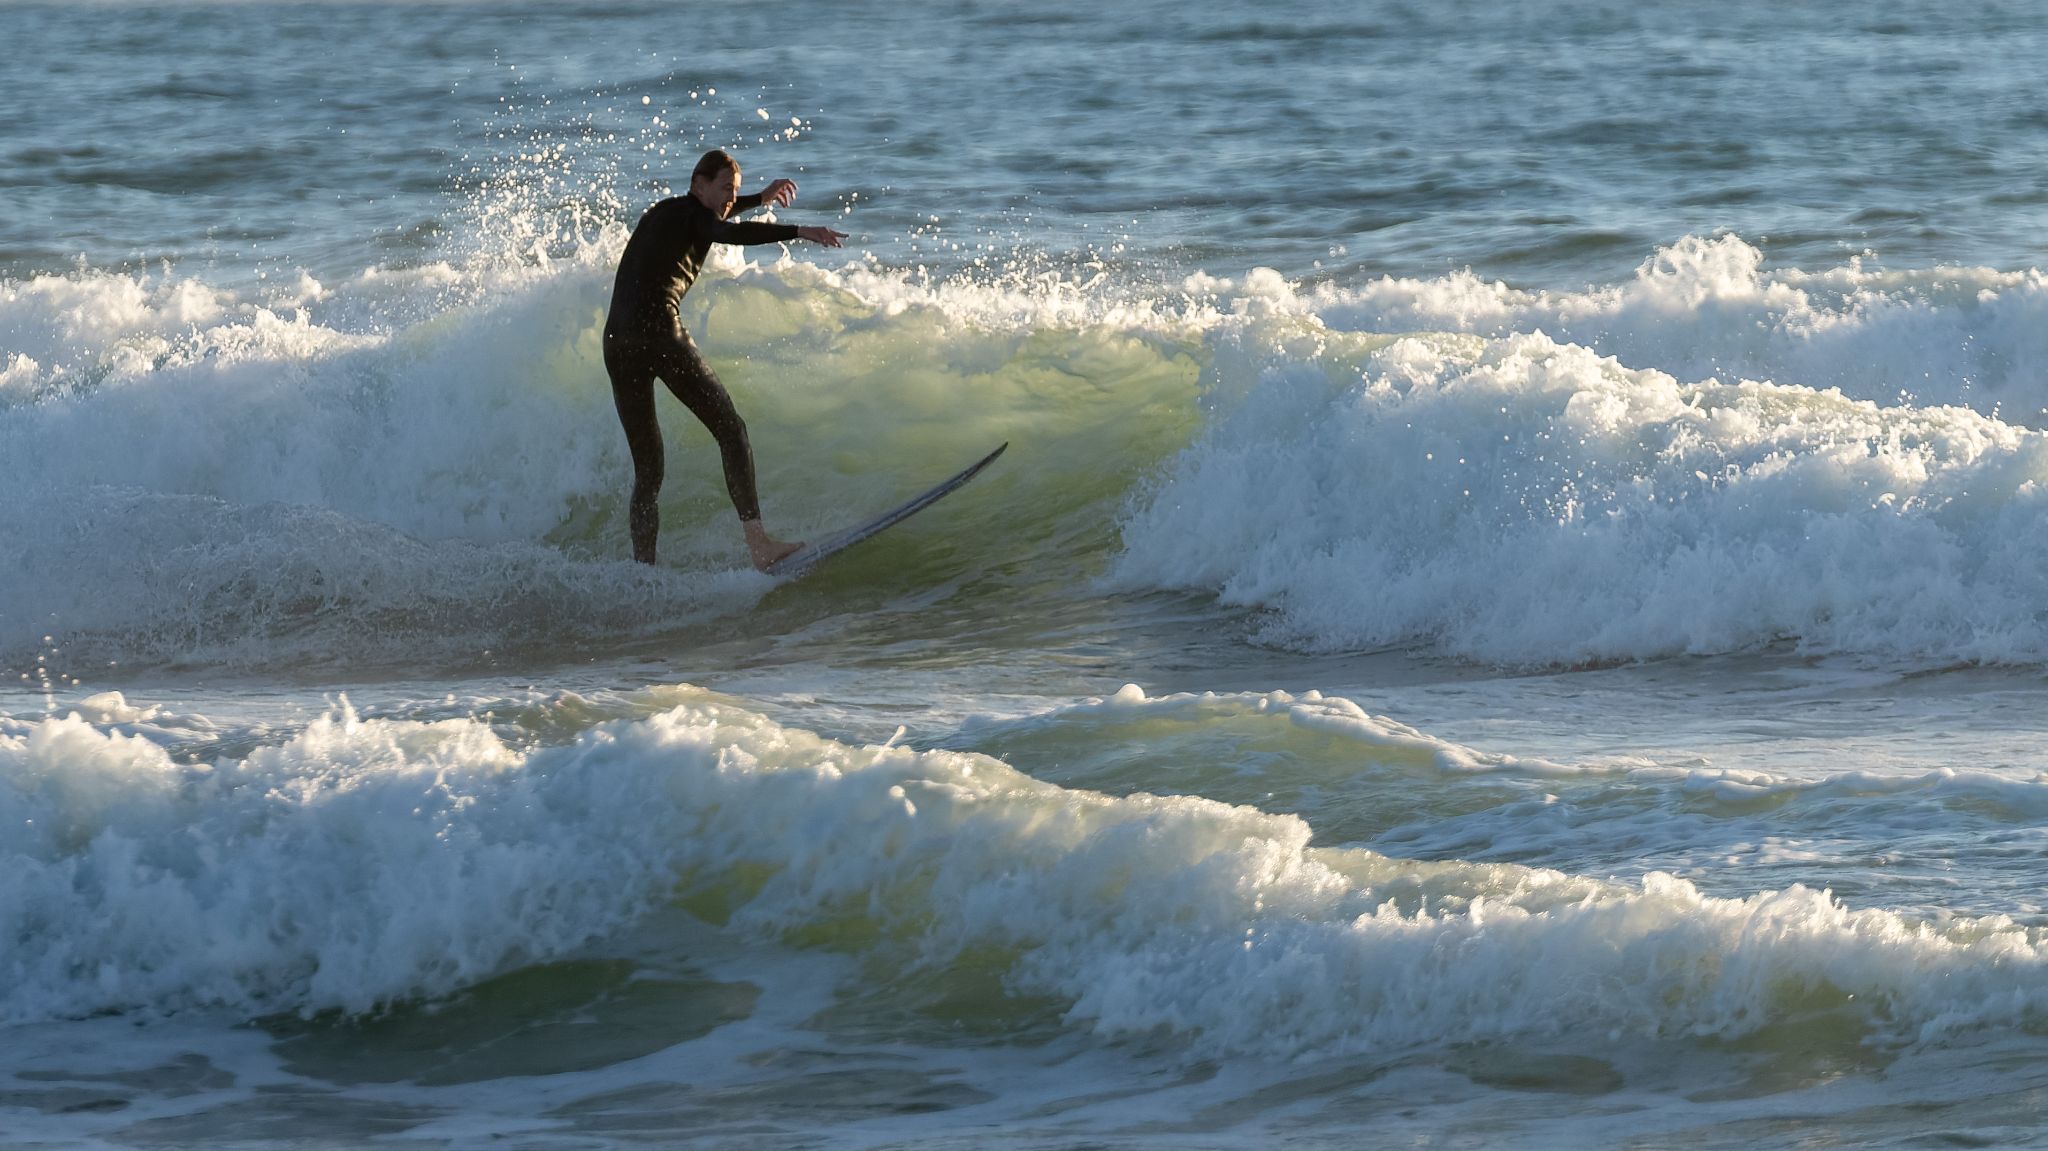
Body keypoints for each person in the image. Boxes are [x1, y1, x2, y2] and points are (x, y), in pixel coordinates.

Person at [603, 148, 846, 570]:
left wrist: (758, 198)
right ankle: (759, 545)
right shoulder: (699, 217)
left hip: (617, 343)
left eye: (734, 191)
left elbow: (718, 216)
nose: (730, 198)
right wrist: (798, 230)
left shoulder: (669, 212)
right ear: (698, 183)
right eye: (724, 188)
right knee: (731, 430)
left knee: (649, 470)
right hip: (659, 332)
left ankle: (643, 568)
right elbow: (727, 231)